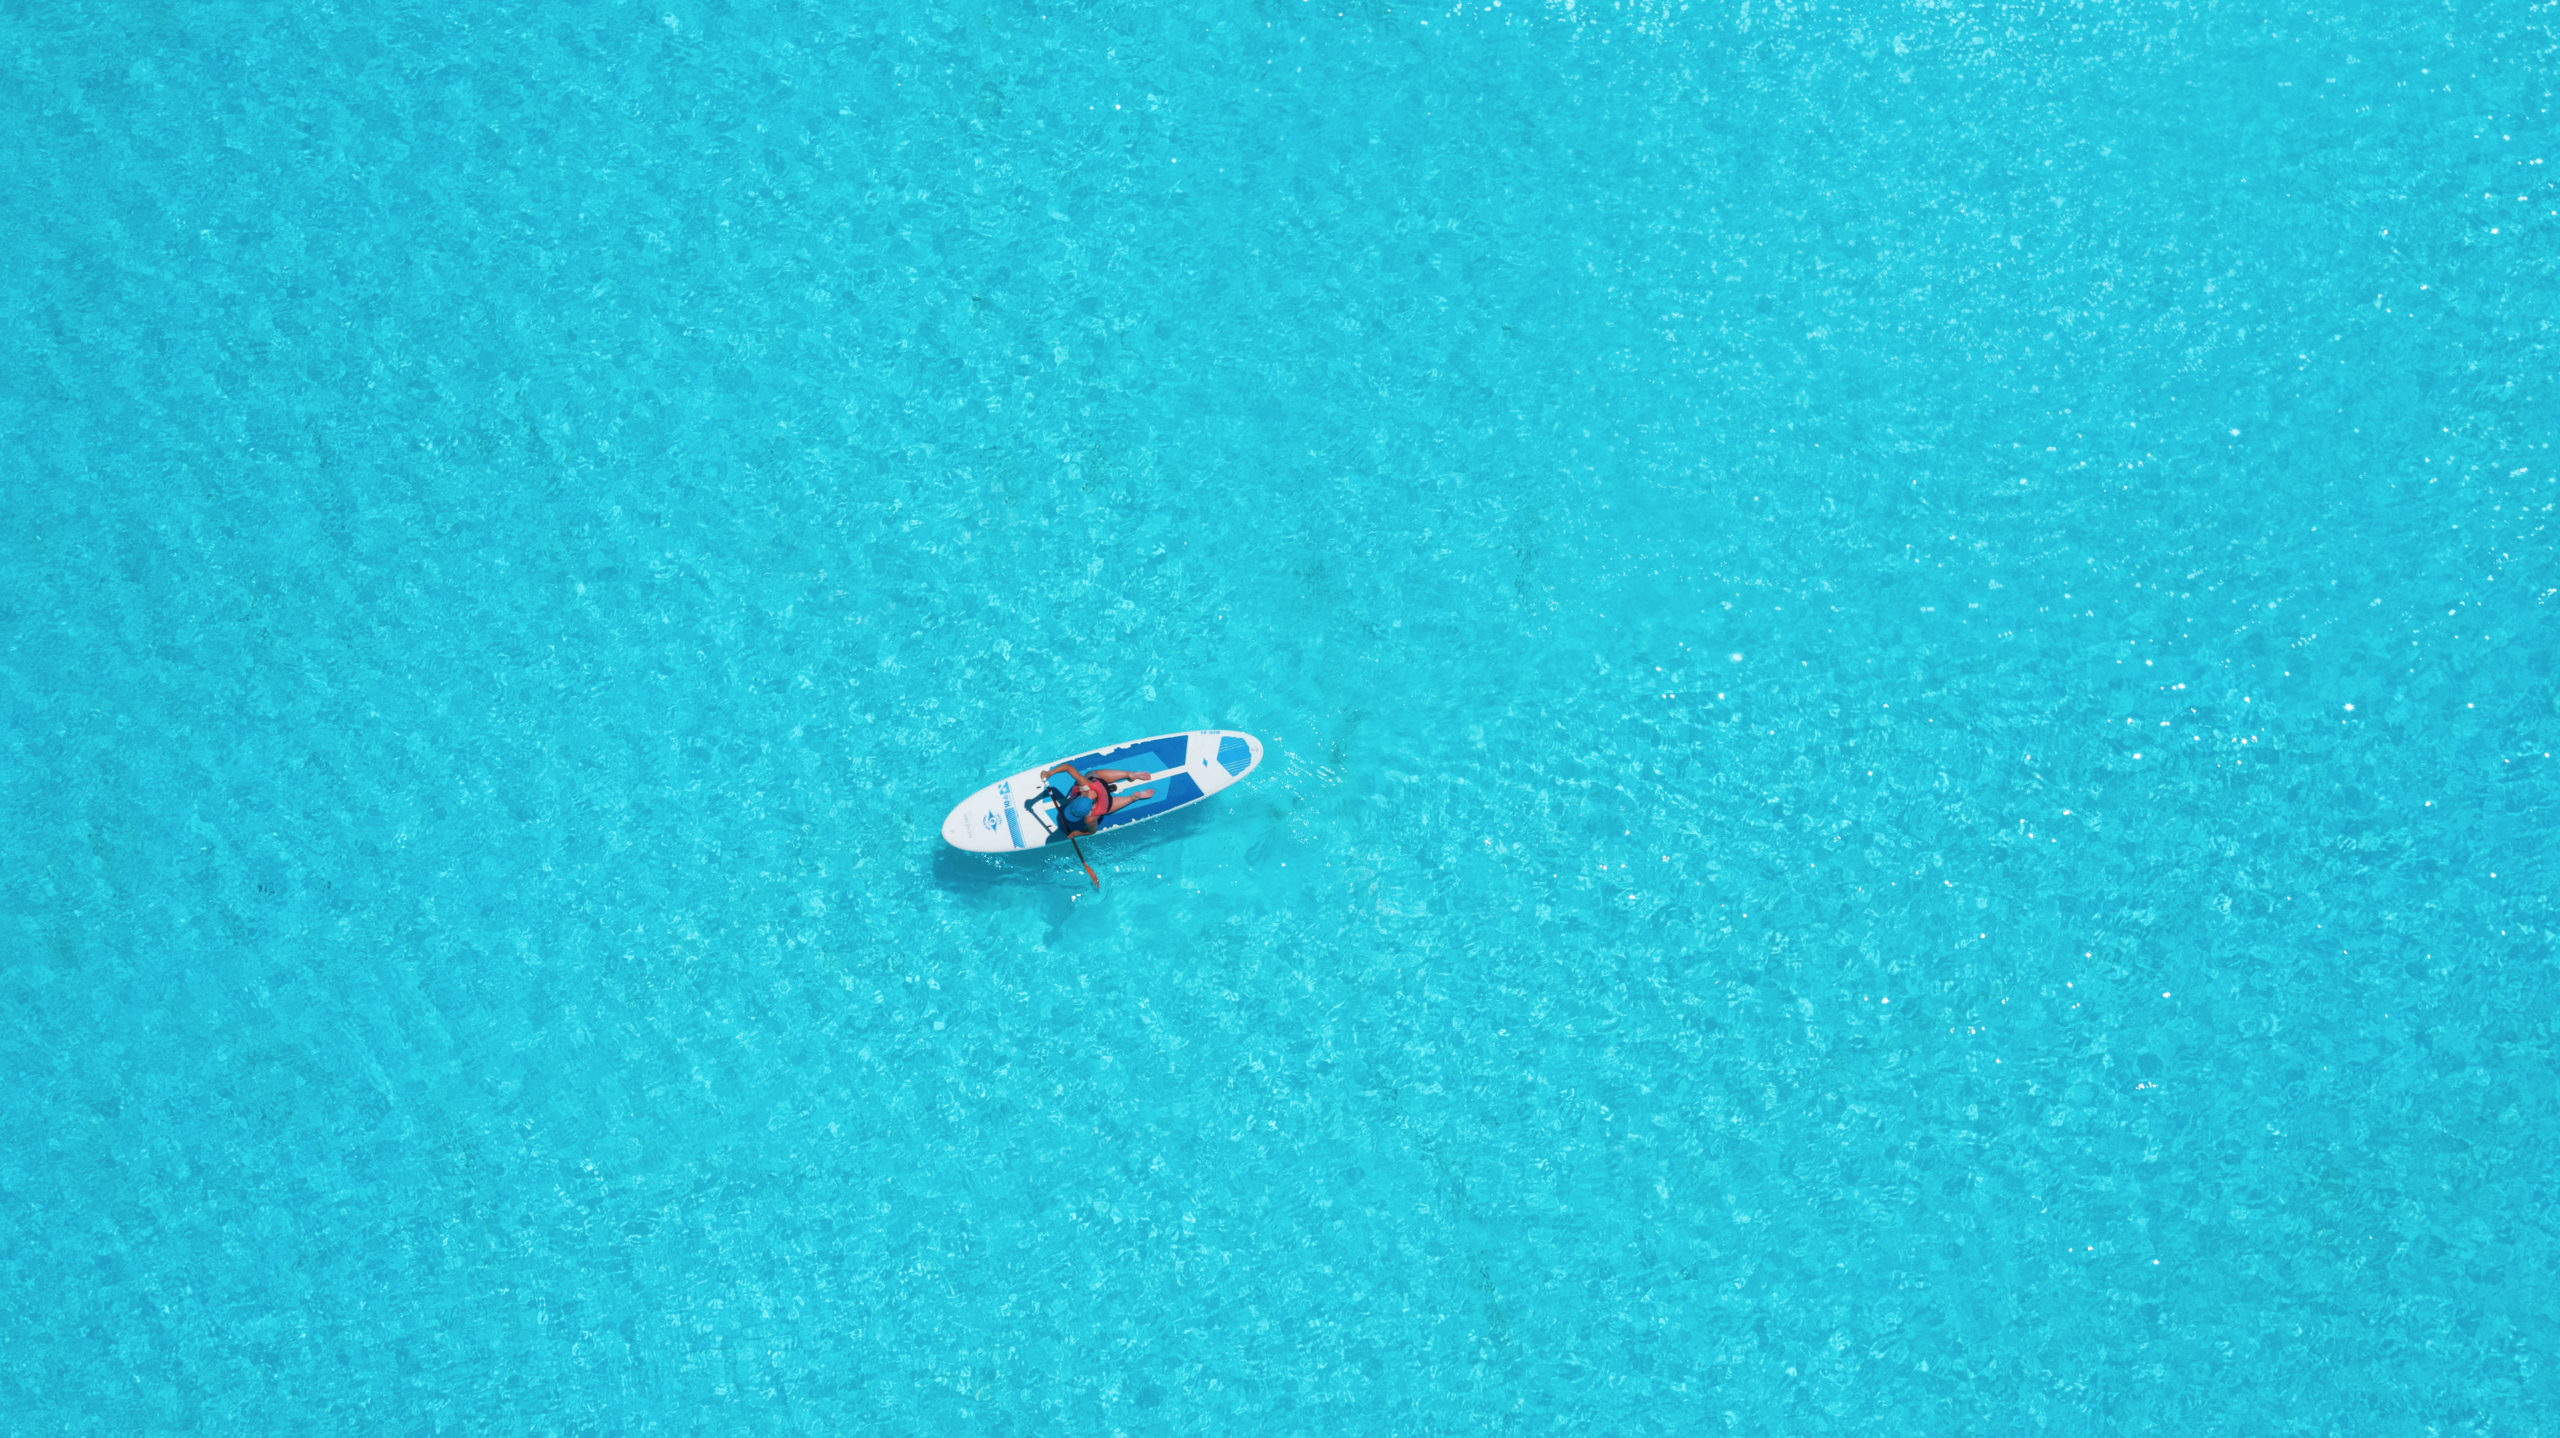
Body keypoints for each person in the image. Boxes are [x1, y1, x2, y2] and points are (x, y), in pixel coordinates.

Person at [1039, 762, 1156, 836]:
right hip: (1102, 791)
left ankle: (1134, 796)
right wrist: (1050, 773)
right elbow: (1068, 767)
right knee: (1093, 775)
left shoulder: (1091, 817)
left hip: (1106, 803)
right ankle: (1130, 776)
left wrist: (1076, 833)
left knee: (1107, 807)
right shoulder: (1086, 787)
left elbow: (1091, 832)